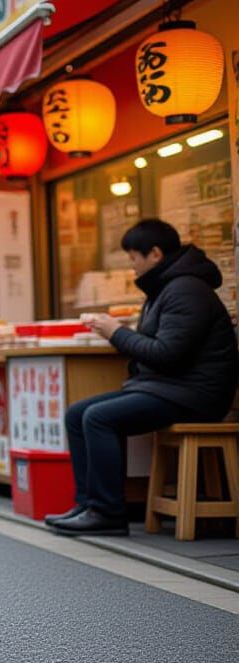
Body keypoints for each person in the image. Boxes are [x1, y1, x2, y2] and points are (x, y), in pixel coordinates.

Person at [49, 219, 238, 536]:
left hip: (194, 394)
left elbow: (166, 353)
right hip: (170, 388)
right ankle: (88, 504)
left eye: (134, 258)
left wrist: (116, 332)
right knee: (77, 414)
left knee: (98, 418)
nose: (132, 267)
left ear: (154, 254)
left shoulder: (186, 290)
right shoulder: (166, 287)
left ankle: (108, 512)